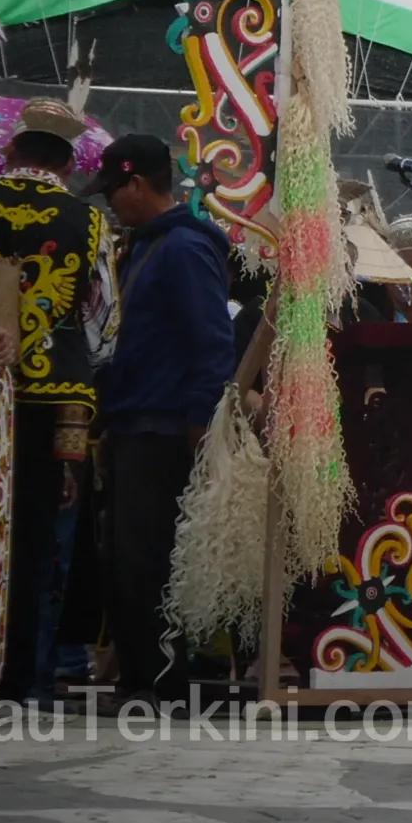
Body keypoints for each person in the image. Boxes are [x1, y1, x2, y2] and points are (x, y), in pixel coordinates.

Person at [0, 97, 109, 701]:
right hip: (52, 397)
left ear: (11, 150)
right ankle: (20, 681)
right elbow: (101, 325)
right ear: (68, 162)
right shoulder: (89, 222)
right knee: (37, 545)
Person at [89, 133, 233, 707]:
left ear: (138, 185)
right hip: (135, 422)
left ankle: (158, 680)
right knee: (128, 557)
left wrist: (202, 421)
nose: (109, 203)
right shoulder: (148, 245)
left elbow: (212, 340)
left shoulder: (182, 249)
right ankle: (141, 676)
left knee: (149, 559)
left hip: (166, 425)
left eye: (114, 191)